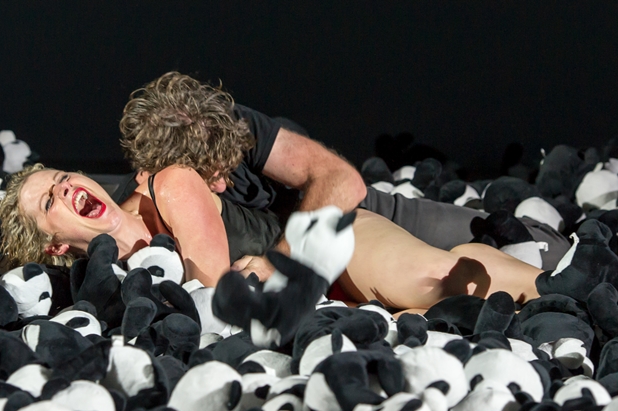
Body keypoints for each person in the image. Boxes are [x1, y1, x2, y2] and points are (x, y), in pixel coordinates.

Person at [117, 72, 570, 282]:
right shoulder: (156, 189)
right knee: (455, 285)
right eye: (208, 178)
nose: (219, 186)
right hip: (341, 272)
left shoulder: (234, 127)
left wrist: (278, 263)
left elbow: (342, 182)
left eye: (222, 172)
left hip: (367, 216)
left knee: (543, 251)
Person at [0, 162, 542, 312]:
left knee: (439, 282)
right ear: (53, 246)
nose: (66, 189)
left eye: (63, 178)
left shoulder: (168, 186)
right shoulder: (101, 288)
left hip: (324, 252)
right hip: (319, 312)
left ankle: (558, 290)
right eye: (49, 202)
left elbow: (214, 296)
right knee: (431, 320)